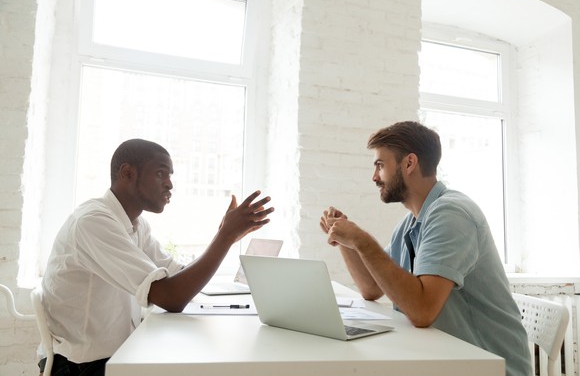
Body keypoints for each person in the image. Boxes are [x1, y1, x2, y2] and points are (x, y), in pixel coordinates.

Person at [39, 138, 274, 376]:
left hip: (116, 355)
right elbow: (171, 297)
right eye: (161, 173)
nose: (170, 184)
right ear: (127, 173)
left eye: (170, 175)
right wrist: (225, 236)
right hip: (81, 367)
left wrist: (225, 236)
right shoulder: (93, 222)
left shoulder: (135, 224)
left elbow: (177, 275)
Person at [319, 121, 531, 376]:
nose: (374, 177)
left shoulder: (451, 214)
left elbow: (422, 311)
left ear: (409, 163)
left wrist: (361, 240)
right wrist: (346, 239)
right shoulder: (412, 222)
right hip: (446, 359)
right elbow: (371, 288)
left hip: (490, 367)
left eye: (380, 165)